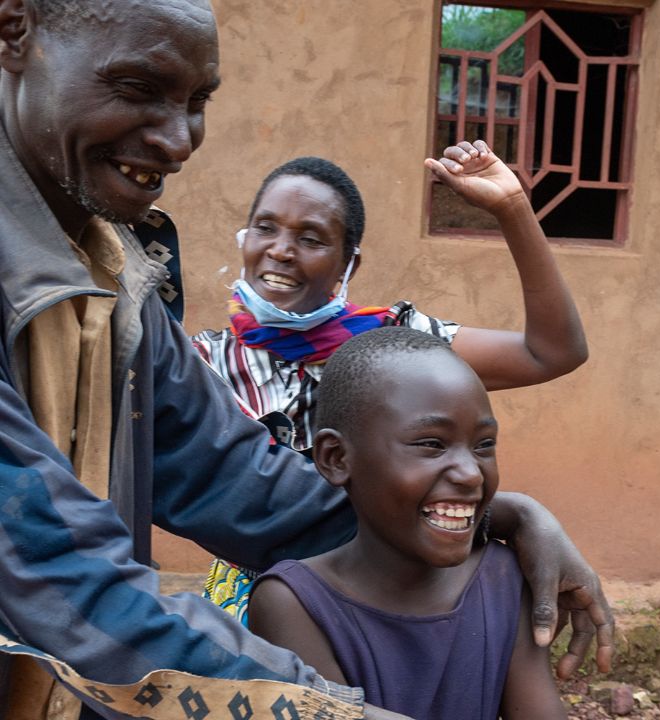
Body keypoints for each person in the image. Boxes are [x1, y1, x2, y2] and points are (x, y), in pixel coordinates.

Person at [0, 1, 611, 719]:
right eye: (136, 88)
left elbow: (237, 479)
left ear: (350, 261)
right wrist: (326, 708)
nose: (178, 140)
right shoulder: (180, 327)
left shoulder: (114, 279)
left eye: (197, 103)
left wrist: (485, 520)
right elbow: (57, 571)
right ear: (14, 32)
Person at [195, 147, 587, 623]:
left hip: (390, 590)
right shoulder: (202, 362)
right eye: (265, 227)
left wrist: (512, 209)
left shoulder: (395, 344)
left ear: (348, 266)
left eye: (311, 238)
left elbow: (552, 351)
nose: (279, 249)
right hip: (255, 599)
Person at [247, 326, 568, 719]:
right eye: (432, 444)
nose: (470, 474)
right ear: (336, 458)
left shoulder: (501, 577)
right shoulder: (294, 603)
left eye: (483, 445)